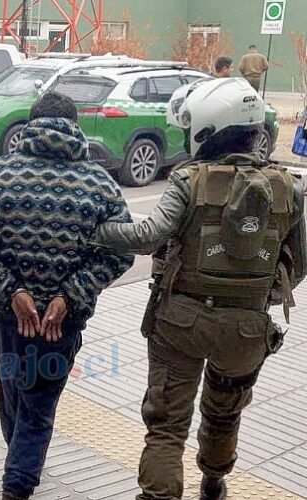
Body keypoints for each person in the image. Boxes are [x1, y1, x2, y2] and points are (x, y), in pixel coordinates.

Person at [94, 78, 306, 500]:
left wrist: (97, 230)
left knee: (167, 426)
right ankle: (214, 481)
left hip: (180, 324)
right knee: (224, 414)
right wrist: (265, 293)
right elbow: (301, 259)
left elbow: (147, 235)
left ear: (208, 127)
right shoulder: (289, 187)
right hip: (246, 330)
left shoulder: (189, 180)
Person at [0, 92, 134, 500]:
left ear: (31, 123)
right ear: (74, 126)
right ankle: (18, 482)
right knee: (38, 406)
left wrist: (11, 291)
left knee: (14, 396)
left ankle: (18, 468)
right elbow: (123, 250)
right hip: (62, 322)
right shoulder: (100, 183)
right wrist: (69, 297)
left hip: (7, 315)